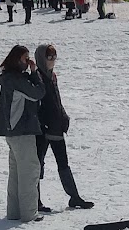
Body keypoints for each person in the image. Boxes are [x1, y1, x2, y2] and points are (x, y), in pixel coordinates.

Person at [34, 44, 93, 212]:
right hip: (43, 129)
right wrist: (41, 122)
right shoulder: (36, 76)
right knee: (38, 165)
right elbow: (36, 104)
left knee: (63, 163)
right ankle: (35, 200)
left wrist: (63, 116)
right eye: (49, 57)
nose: (52, 61)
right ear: (41, 58)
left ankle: (74, 197)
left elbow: (56, 101)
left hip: (56, 127)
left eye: (54, 57)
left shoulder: (52, 76)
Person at [0, 45, 45, 223]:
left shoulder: (8, 78)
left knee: (15, 173)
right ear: (17, 60)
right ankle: (29, 213)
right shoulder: (18, 80)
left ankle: (14, 212)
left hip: (11, 132)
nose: (28, 61)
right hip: (22, 131)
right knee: (29, 171)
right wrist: (35, 73)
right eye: (25, 58)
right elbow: (38, 93)